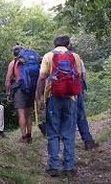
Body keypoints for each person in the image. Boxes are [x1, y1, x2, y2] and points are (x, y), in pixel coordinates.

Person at [36, 35, 81, 177]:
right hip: (71, 98)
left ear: (54, 44)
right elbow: (79, 76)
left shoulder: (48, 56)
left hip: (53, 97)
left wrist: (40, 97)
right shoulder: (75, 56)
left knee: (53, 133)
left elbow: (42, 77)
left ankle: (53, 167)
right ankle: (69, 167)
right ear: (68, 44)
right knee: (69, 133)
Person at [5, 45, 35, 143]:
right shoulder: (28, 62)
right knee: (28, 114)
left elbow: (8, 79)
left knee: (21, 114)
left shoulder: (13, 63)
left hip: (20, 90)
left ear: (14, 53)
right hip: (31, 89)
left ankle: (23, 137)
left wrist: (8, 92)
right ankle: (29, 136)